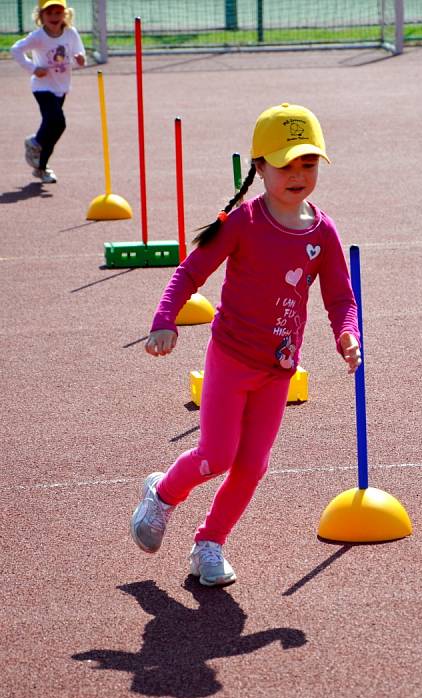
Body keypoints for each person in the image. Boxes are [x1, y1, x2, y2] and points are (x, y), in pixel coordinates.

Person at [130, 102, 362, 587]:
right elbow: (190, 271)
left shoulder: (324, 232)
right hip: (231, 358)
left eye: (308, 163)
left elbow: (340, 296)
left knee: (253, 465)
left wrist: (347, 333)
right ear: (259, 167)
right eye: (285, 164)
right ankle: (163, 494)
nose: (298, 174)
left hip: (278, 369)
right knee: (216, 455)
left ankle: (209, 543)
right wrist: (164, 320)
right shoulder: (244, 222)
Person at [10, 0, 85, 184]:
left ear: (65, 14)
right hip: (42, 86)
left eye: (58, 12)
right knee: (56, 121)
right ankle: (34, 143)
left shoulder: (70, 33)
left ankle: (42, 167)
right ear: (40, 16)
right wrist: (33, 68)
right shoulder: (38, 37)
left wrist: (80, 60)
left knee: (55, 127)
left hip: (61, 87)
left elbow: (78, 55)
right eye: (49, 13)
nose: (54, 17)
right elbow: (16, 49)